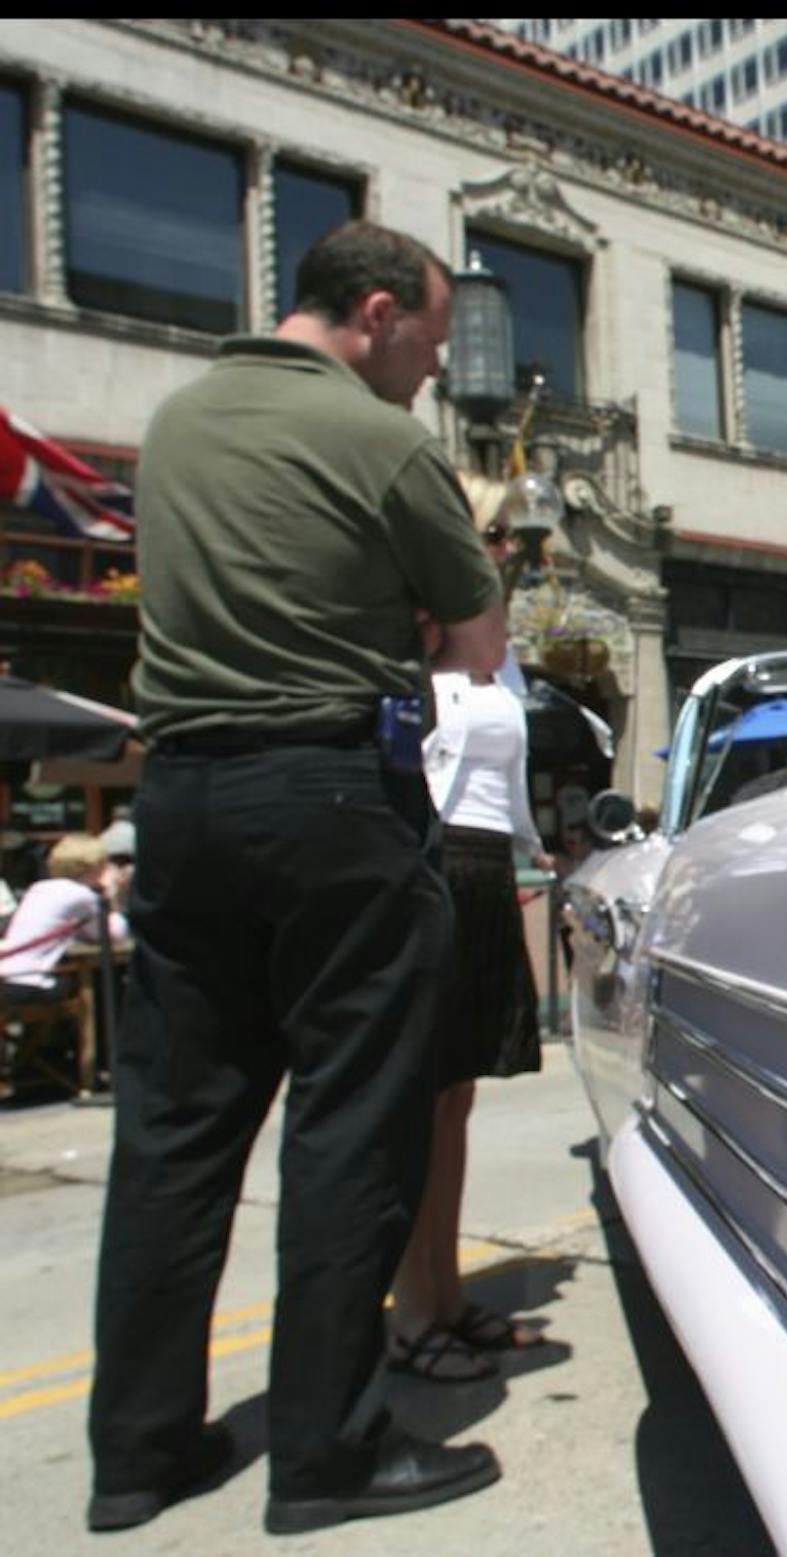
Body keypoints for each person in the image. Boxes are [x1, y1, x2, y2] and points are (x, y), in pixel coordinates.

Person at [86, 220, 508, 1537]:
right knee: (350, 1124)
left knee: (171, 1134)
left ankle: (138, 1455)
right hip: (331, 797)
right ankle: (325, 1454)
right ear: (375, 312)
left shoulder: (177, 424)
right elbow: (483, 647)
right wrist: (414, 613)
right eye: (430, 343)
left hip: (183, 798)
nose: (433, 371)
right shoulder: (383, 444)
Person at [389, 475, 551, 1381]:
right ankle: (413, 1310)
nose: (505, 555)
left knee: (458, 1096)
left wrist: (532, 855)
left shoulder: (495, 654)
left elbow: (504, 775)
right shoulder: (413, 636)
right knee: (424, 1095)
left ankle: (444, 1295)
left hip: (486, 864)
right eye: (493, 536)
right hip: (433, 858)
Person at [0, 833, 124, 1000]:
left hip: (7, 977)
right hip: (31, 981)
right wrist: (113, 894)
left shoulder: (39, 888)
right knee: (94, 985)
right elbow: (114, 933)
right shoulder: (81, 895)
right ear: (96, 867)